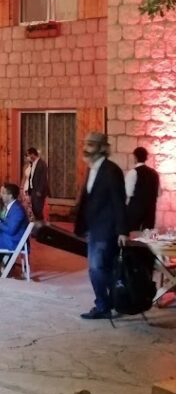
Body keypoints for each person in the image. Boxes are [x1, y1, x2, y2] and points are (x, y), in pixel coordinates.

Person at [74, 132, 128, 320]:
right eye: (86, 143)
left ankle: (104, 305)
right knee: (102, 268)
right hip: (93, 229)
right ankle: (112, 302)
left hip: (105, 229)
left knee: (96, 268)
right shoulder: (91, 169)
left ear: (102, 149)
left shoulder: (111, 171)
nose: (86, 148)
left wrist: (122, 230)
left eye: (91, 144)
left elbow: (119, 202)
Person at [125, 146, 160, 232]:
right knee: (147, 237)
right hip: (150, 210)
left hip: (135, 210)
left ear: (135, 157)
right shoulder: (154, 173)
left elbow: (128, 192)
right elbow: (158, 192)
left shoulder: (133, 172)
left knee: (132, 237)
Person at [23, 147, 50, 221]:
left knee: (38, 210)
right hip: (32, 189)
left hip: (38, 191)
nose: (28, 157)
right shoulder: (33, 164)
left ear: (33, 154)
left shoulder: (41, 164)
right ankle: (37, 225)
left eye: (29, 155)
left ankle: (41, 225)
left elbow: (43, 179)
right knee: (34, 209)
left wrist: (39, 191)